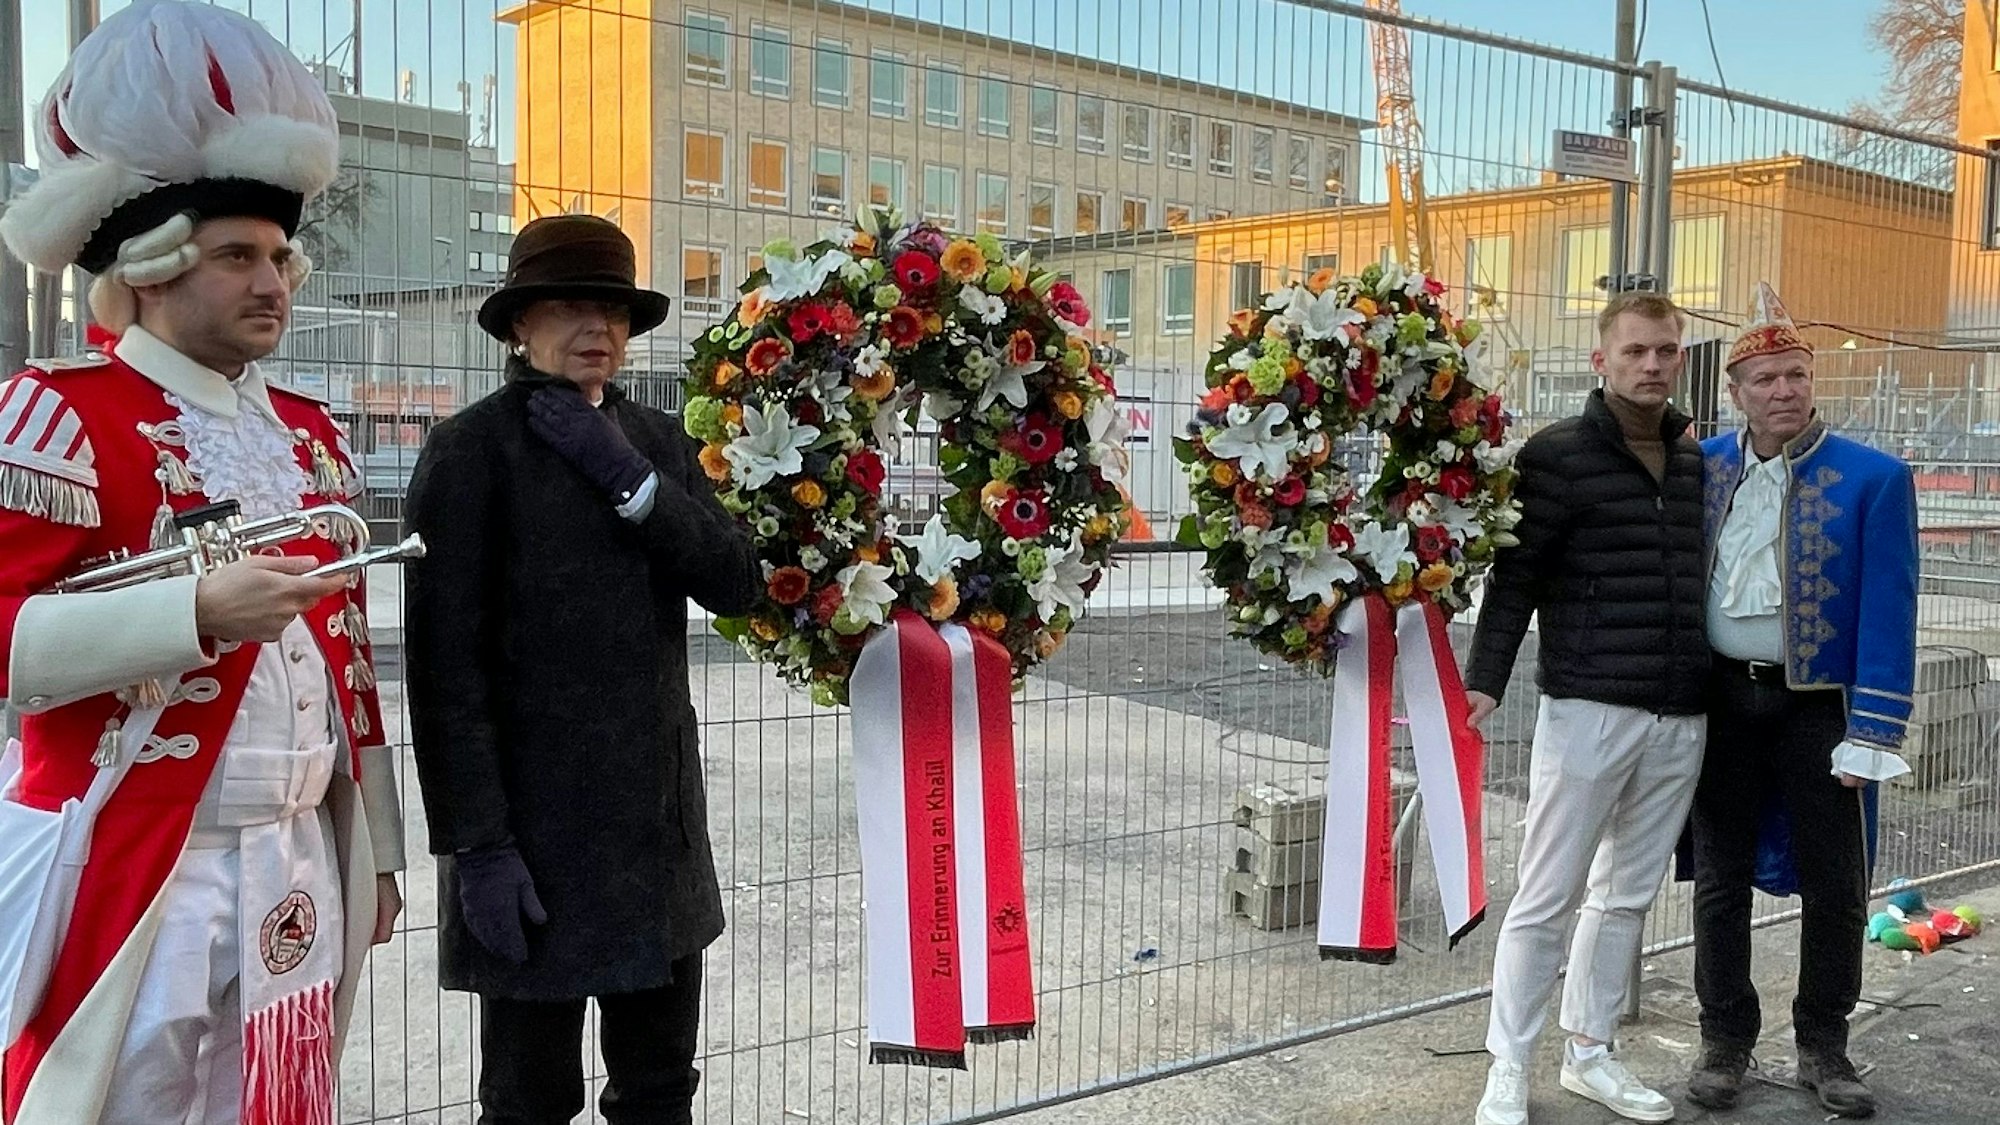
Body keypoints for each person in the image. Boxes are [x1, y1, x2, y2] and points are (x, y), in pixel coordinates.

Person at [0, 3, 406, 1122]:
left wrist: (375, 839)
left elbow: (349, 661)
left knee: (274, 1101)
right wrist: (189, 614)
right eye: (237, 255)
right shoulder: (55, 414)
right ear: (148, 268)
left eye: (280, 255)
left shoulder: (314, 434)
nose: (274, 280)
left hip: (296, 850)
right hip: (137, 855)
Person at [403, 214, 759, 1125]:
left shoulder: (655, 438)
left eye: (612, 308)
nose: (596, 328)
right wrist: (476, 844)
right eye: (568, 306)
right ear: (520, 325)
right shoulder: (469, 450)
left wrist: (634, 484)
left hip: (655, 836)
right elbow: (444, 672)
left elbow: (735, 582)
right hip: (531, 844)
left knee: (657, 1090)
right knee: (528, 1100)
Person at [1463, 291, 1710, 1125]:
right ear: (1601, 360)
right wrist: (1484, 678)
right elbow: (1516, 578)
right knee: (1548, 894)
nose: (1651, 365)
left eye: (1665, 351)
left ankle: (1591, 1053)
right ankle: (1508, 1062)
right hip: (1588, 708)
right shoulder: (1556, 455)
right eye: (1636, 350)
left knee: (1626, 897)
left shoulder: (1693, 459)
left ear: (1681, 359)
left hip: (1680, 711)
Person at [1684, 283, 1917, 1120]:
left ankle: (1824, 1042)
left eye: (1796, 375)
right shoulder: (1700, 467)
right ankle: (1724, 1037)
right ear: (1736, 392)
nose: (1783, 390)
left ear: (1812, 380)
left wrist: (1875, 727)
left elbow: (1892, 608)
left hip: (1821, 710)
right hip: (1721, 703)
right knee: (1720, 876)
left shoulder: (1875, 479)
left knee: (1837, 881)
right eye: (1765, 379)